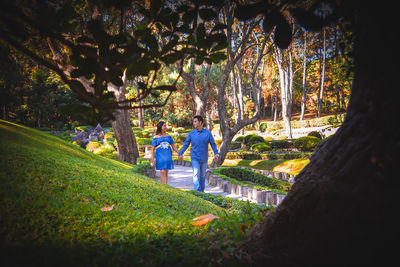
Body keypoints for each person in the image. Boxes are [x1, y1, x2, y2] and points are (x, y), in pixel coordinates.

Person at [178, 115, 219, 192]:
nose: (194, 123)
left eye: (195, 121)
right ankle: (197, 191)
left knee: (203, 176)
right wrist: (181, 153)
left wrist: (216, 154)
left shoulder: (208, 133)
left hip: (204, 158)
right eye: (193, 121)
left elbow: (213, 144)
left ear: (200, 122)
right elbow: (186, 144)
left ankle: (201, 191)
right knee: (196, 174)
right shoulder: (191, 134)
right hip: (194, 158)